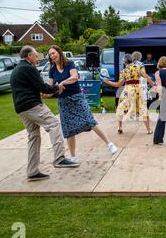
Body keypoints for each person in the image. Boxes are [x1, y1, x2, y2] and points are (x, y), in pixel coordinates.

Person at [10, 45, 79, 182]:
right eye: (36, 55)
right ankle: (60, 158)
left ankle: (32, 171)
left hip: (21, 108)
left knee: (34, 136)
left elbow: (36, 88)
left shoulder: (18, 69)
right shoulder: (29, 68)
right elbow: (42, 87)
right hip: (32, 106)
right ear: (29, 56)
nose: (37, 58)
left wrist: (46, 91)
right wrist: (57, 87)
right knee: (54, 124)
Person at [46, 45, 118, 163]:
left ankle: (110, 144)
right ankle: (73, 157)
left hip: (77, 98)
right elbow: (50, 87)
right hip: (64, 102)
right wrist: (46, 93)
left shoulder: (69, 64)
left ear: (59, 52)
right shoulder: (52, 70)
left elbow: (74, 77)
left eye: (53, 53)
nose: (52, 56)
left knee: (90, 121)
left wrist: (62, 83)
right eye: (50, 54)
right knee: (69, 130)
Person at [103, 54, 154, 134]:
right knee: (143, 107)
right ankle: (148, 129)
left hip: (128, 90)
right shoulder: (138, 67)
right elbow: (146, 76)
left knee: (121, 107)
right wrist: (153, 84)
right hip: (139, 89)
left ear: (124, 62)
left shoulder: (123, 71)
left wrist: (108, 81)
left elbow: (118, 85)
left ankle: (119, 127)